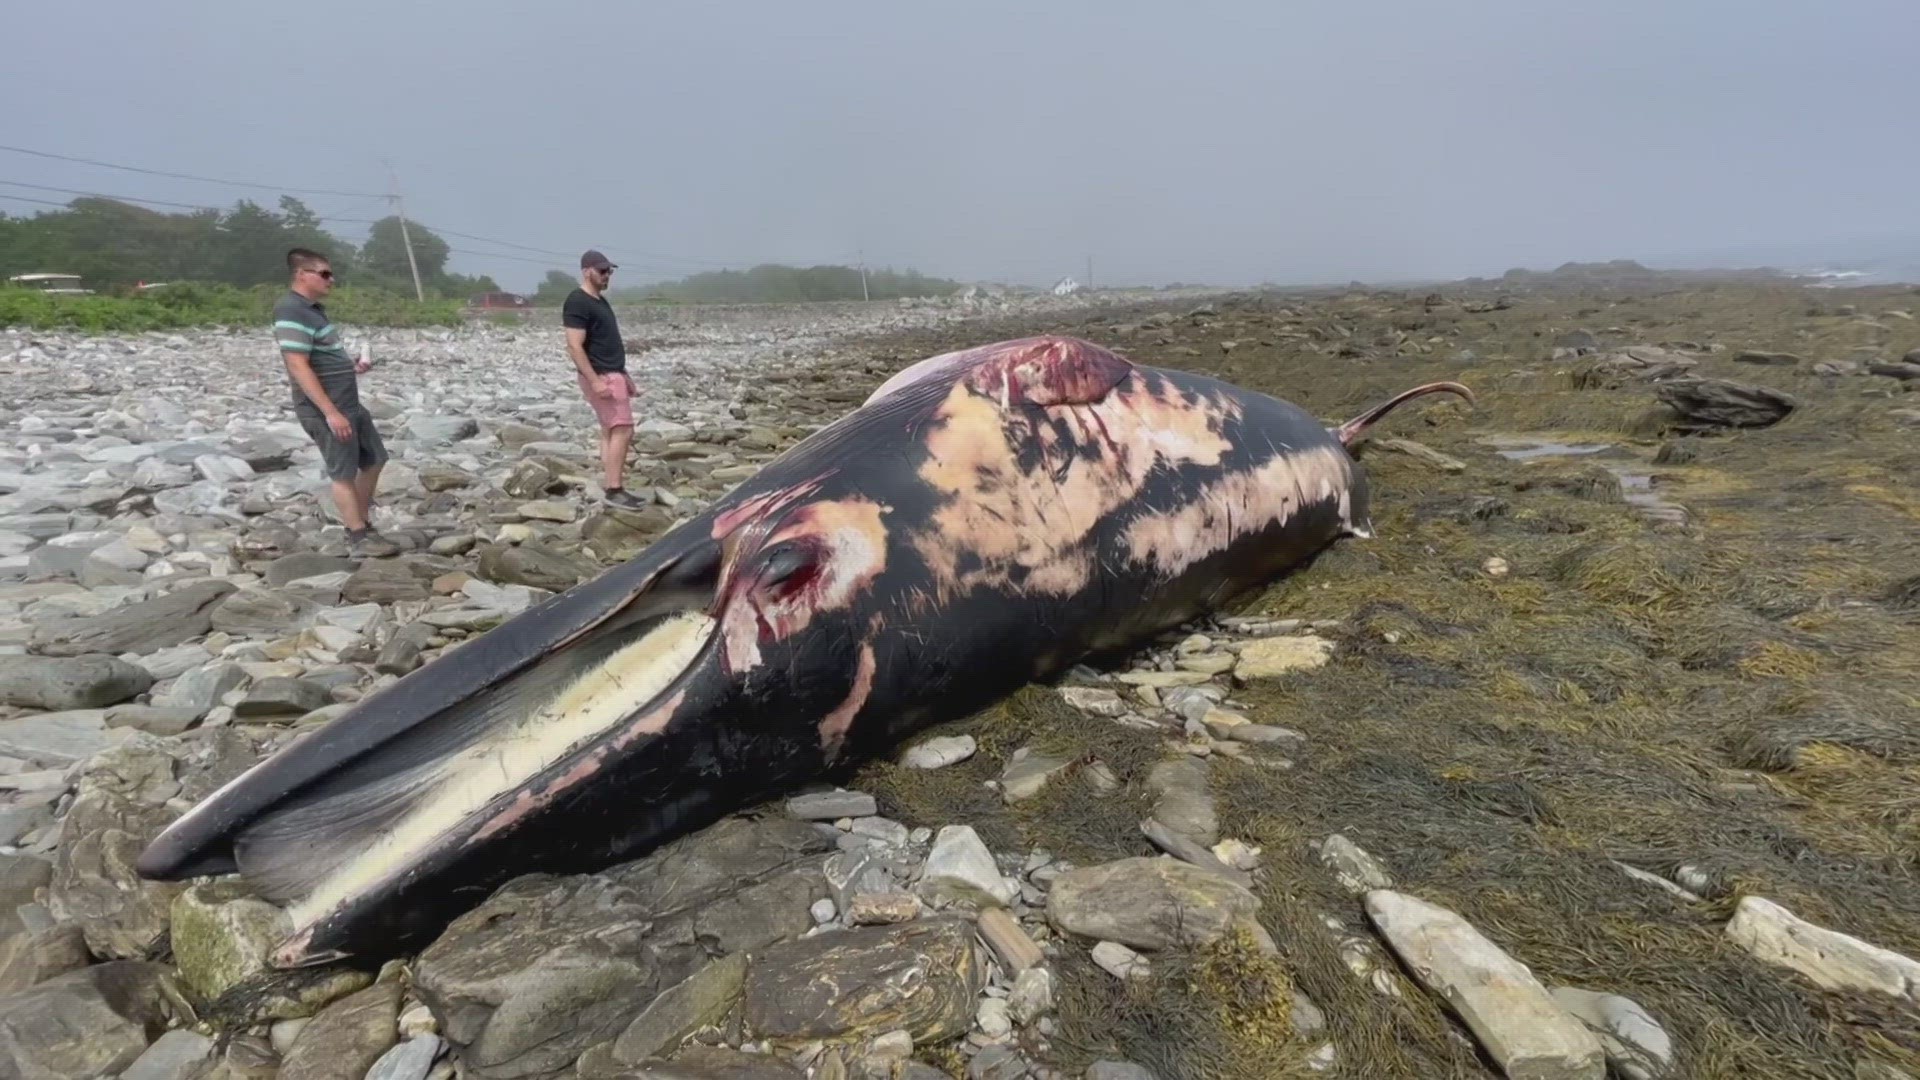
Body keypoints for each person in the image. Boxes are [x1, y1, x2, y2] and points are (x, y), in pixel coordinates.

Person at [273, 248, 401, 556]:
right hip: (328, 409)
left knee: (374, 460)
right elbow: (297, 363)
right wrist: (330, 413)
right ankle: (358, 535)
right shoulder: (291, 309)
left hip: (349, 404)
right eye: (325, 274)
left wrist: (352, 366)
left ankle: (361, 523)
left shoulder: (312, 310)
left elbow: (321, 357)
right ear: (302, 274)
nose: (332, 280)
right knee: (342, 473)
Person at [562, 249, 646, 508]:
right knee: (623, 429)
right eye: (602, 271)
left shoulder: (599, 301)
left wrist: (625, 376)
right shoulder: (578, 301)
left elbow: (607, 343)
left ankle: (611, 484)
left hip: (612, 373)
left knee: (610, 429)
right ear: (587, 271)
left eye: (609, 271)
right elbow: (574, 346)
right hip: (601, 376)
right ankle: (614, 489)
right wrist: (596, 380)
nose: (607, 275)